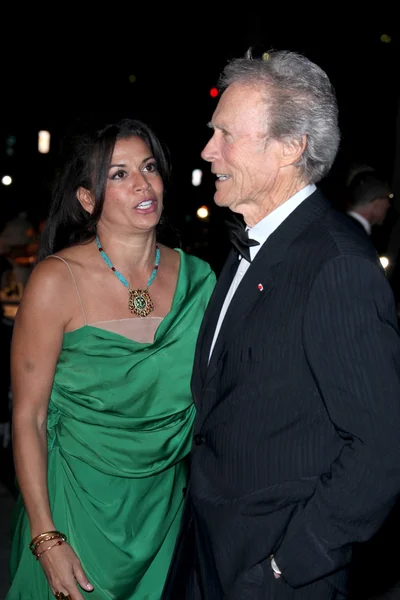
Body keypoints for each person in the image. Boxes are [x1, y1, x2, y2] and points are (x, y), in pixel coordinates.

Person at [162, 50, 400, 600]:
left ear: (290, 148)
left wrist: (286, 566)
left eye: (225, 134)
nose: (207, 150)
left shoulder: (336, 265)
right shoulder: (252, 244)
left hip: (277, 572)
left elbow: (380, 450)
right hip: (209, 548)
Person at [6, 116, 216, 600]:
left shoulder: (201, 281)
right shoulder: (56, 282)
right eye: (119, 174)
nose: (143, 183)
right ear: (87, 199)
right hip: (74, 510)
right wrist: (45, 536)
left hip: (165, 515)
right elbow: (29, 417)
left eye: (148, 167)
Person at [345, 167, 393, 235]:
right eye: (389, 197)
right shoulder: (359, 239)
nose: (388, 205)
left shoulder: (336, 223)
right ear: (377, 202)